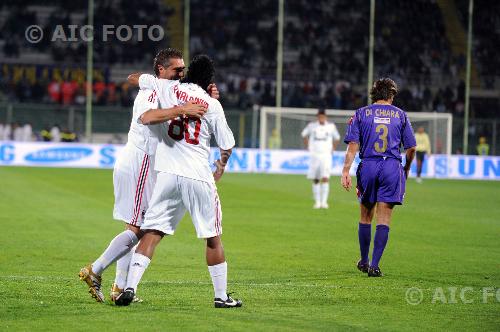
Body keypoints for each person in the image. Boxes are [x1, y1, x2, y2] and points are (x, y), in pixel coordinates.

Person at [79, 48, 214, 303]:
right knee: (139, 229)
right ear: (161, 70)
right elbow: (147, 117)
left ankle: (119, 287)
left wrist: (203, 97)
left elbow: (134, 76)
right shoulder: (151, 92)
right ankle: (95, 270)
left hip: (149, 165)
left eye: (183, 69)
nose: (181, 74)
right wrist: (181, 108)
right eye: (176, 69)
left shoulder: (167, 90)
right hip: (141, 162)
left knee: (138, 228)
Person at [115, 55, 242, 308]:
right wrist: (222, 164)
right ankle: (221, 296)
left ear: (188, 74)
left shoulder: (169, 89)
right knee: (213, 237)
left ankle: (129, 287)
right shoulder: (212, 105)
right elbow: (227, 144)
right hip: (198, 176)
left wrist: (145, 79)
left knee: (153, 232)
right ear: (210, 82)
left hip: (167, 175)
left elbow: (136, 78)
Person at [341, 78, 416, 277]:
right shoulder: (401, 115)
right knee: (384, 218)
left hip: (369, 165)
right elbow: (411, 148)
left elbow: (352, 147)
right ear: (391, 95)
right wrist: (406, 168)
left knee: (366, 216)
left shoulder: (360, 113)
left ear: (374, 94)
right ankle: (374, 265)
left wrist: (345, 171)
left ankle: (364, 261)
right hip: (391, 166)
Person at [301, 109, 340, 209]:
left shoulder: (331, 126)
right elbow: (303, 135)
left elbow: (337, 138)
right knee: (315, 178)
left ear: (325, 117)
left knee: (325, 177)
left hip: (326, 155)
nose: (321, 118)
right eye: (320, 116)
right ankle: (317, 202)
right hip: (315, 155)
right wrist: (307, 147)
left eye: (323, 116)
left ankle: (324, 202)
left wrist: (333, 148)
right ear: (317, 117)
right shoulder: (312, 126)